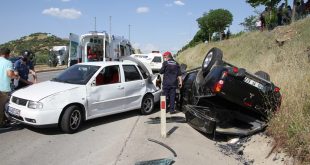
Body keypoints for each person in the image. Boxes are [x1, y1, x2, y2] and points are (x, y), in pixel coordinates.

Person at [0, 48, 19, 128]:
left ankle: (4, 120)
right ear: (7, 54)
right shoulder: (8, 62)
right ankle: (1, 123)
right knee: (2, 107)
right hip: (4, 88)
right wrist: (16, 76)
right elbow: (10, 75)